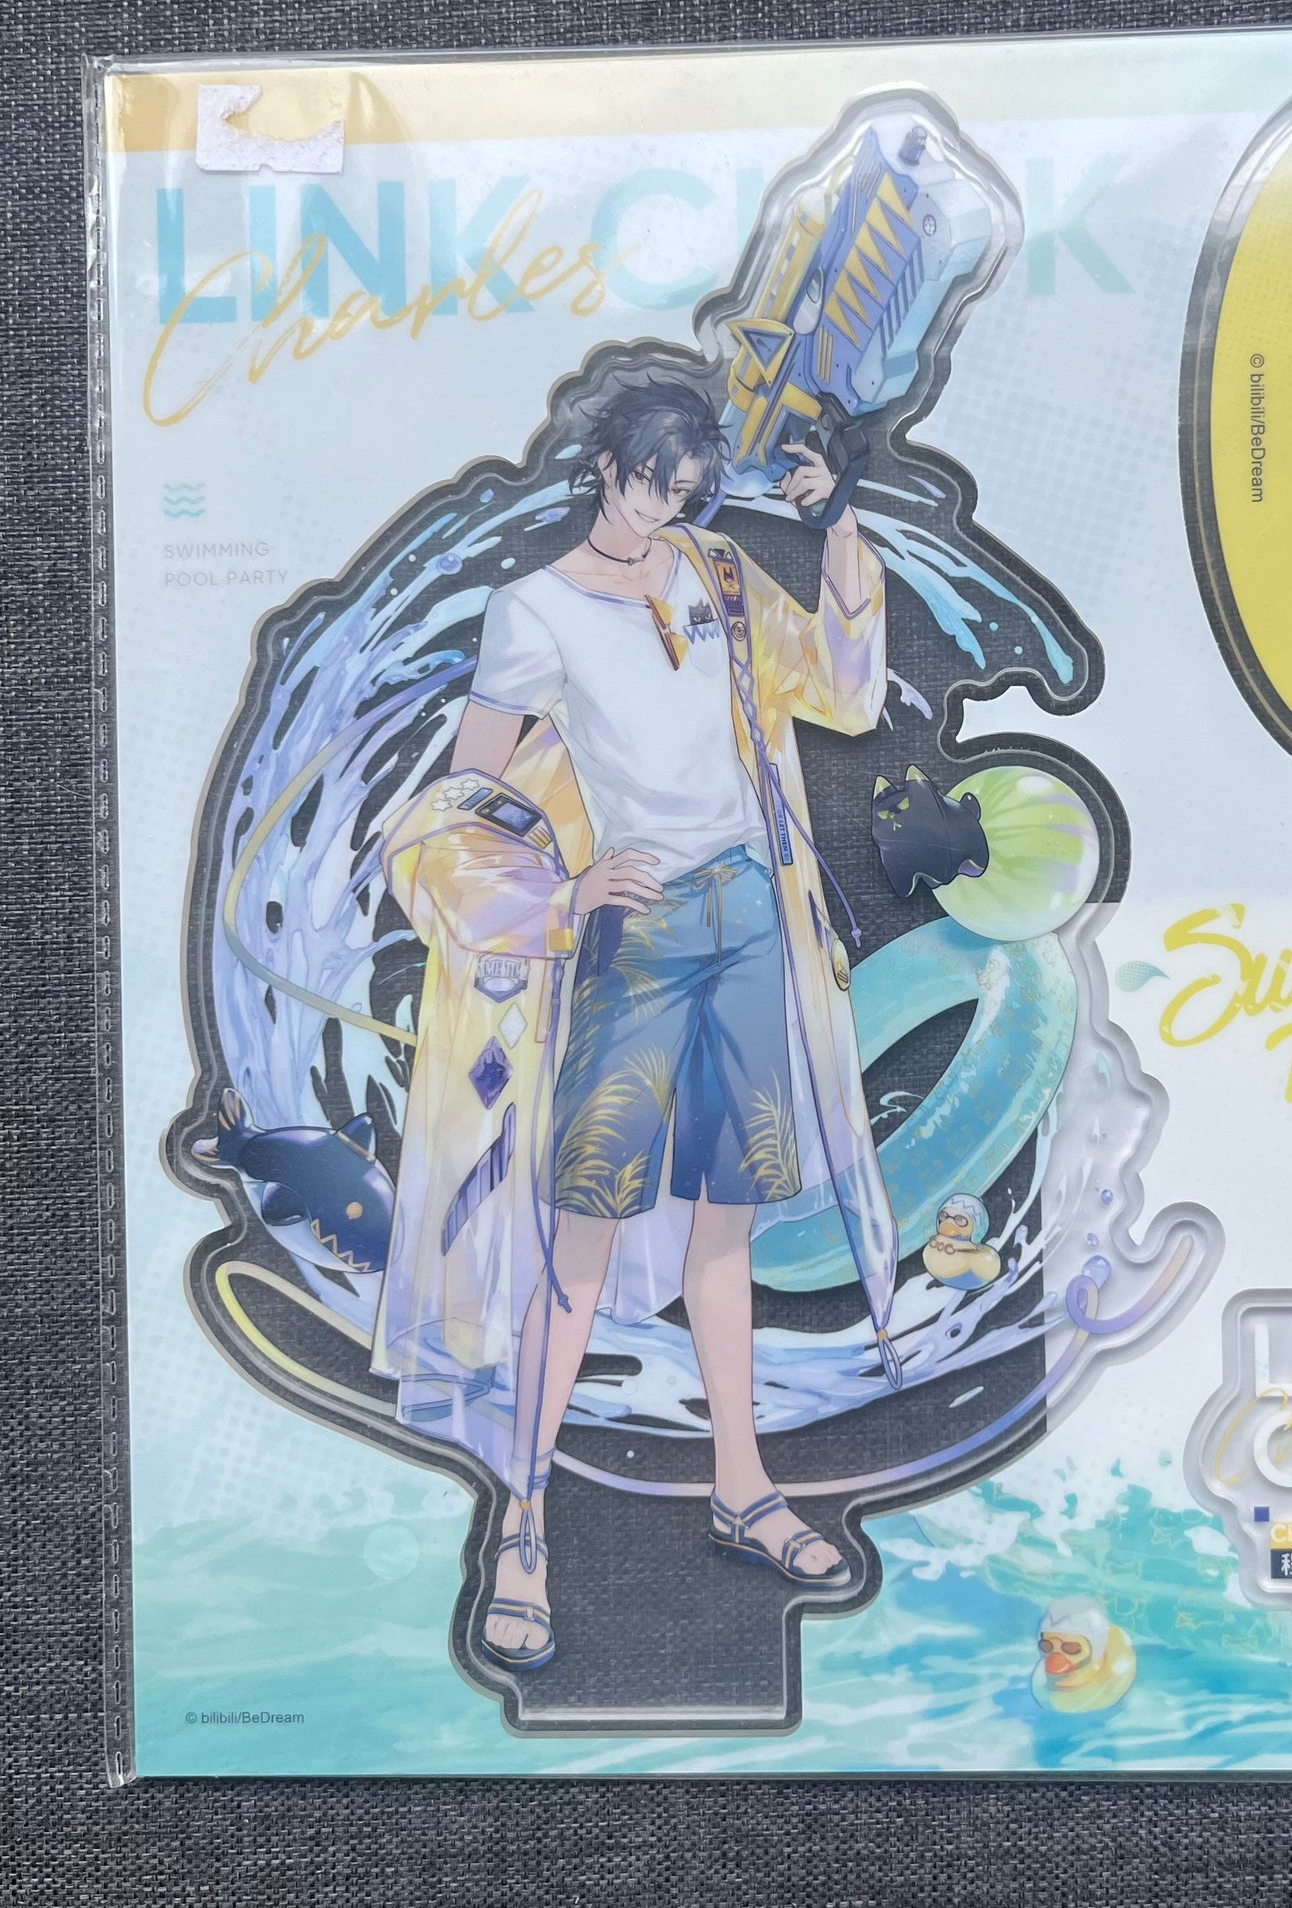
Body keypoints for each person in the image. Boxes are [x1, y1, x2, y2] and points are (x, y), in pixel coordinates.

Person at [371, 373, 899, 1672]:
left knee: (727, 1220)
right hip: (635, 936)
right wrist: (559, 896)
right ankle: (522, 1525)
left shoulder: (715, 570)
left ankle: (742, 1486)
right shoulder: (533, 609)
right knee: (582, 1233)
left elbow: (845, 696)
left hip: (748, 915)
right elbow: (455, 806)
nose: (665, 507)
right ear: (604, 464)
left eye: (688, 489)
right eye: (652, 482)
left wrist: (837, 526)